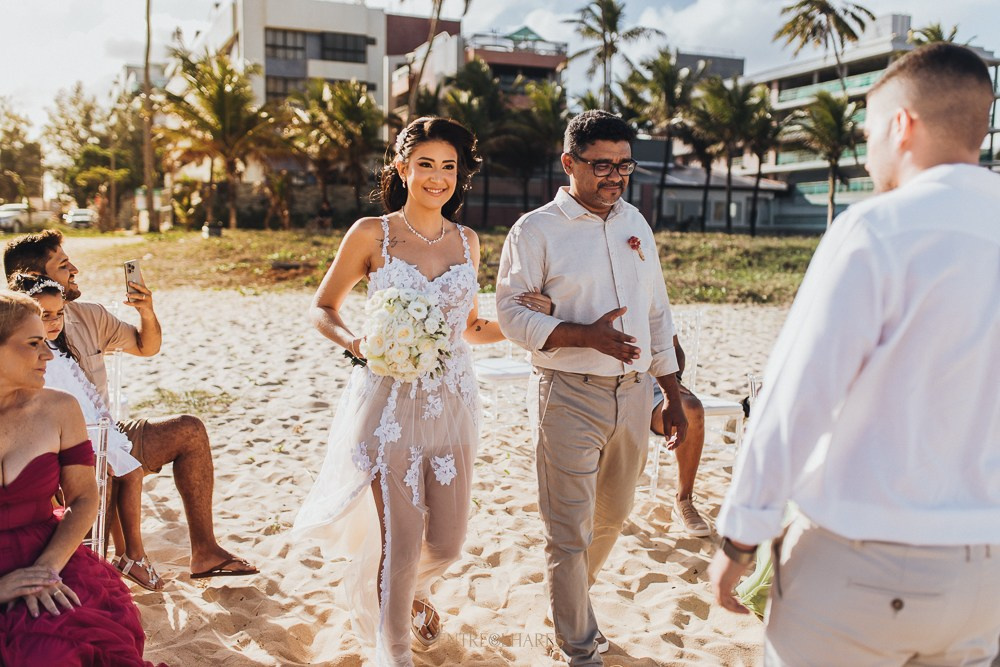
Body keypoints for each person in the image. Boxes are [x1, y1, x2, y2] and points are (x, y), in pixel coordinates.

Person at [709, 43, 1000, 665]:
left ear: (902, 126)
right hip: (986, 577)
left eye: (868, 133)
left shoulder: (878, 228)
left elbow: (797, 398)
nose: (867, 154)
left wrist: (740, 538)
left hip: (864, 564)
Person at [292, 116, 549, 666]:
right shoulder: (372, 234)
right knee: (403, 543)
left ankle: (406, 592)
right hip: (388, 405)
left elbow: (471, 328)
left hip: (453, 405)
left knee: (448, 543)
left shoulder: (468, 241)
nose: (438, 177)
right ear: (402, 168)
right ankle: (395, 653)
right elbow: (322, 307)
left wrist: (527, 321)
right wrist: (356, 343)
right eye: (426, 164)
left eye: (448, 167)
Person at [496, 110, 688, 666]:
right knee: (568, 530)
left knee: (612, 516)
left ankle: (570, 604)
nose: (615, 176)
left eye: (624, 165)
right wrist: (585, 334)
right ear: (569, 162)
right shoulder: (535, 230)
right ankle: (579, 647)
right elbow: (511, 314)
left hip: (635, 394)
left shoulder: (635, 222)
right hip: (567, 393)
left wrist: (672, 395)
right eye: (602, 165)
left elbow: (656, 312)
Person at [3, 230, 257, 580]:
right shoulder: (14, 339)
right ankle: (106, 565)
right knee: (97, 477)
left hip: (109, 433)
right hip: (56, 451)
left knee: (189, 430)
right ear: (34, 277)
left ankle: (205, 553)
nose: (75, 270)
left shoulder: (88, 316)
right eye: (63, 265)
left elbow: (145, 346)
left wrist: (146, 312)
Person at [0, 290, 166, 666]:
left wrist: (46, 568)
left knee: (54, 650)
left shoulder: (60, 408)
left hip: (49, 554)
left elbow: (85, 498)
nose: (47, 354)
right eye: (32, 343)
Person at [648, 336, 711, 537]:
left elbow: (674, 347)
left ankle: (684, 500)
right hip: (605, 384)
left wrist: (673, 381)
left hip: (656, 387)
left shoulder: (656, 313)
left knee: (691, 408)